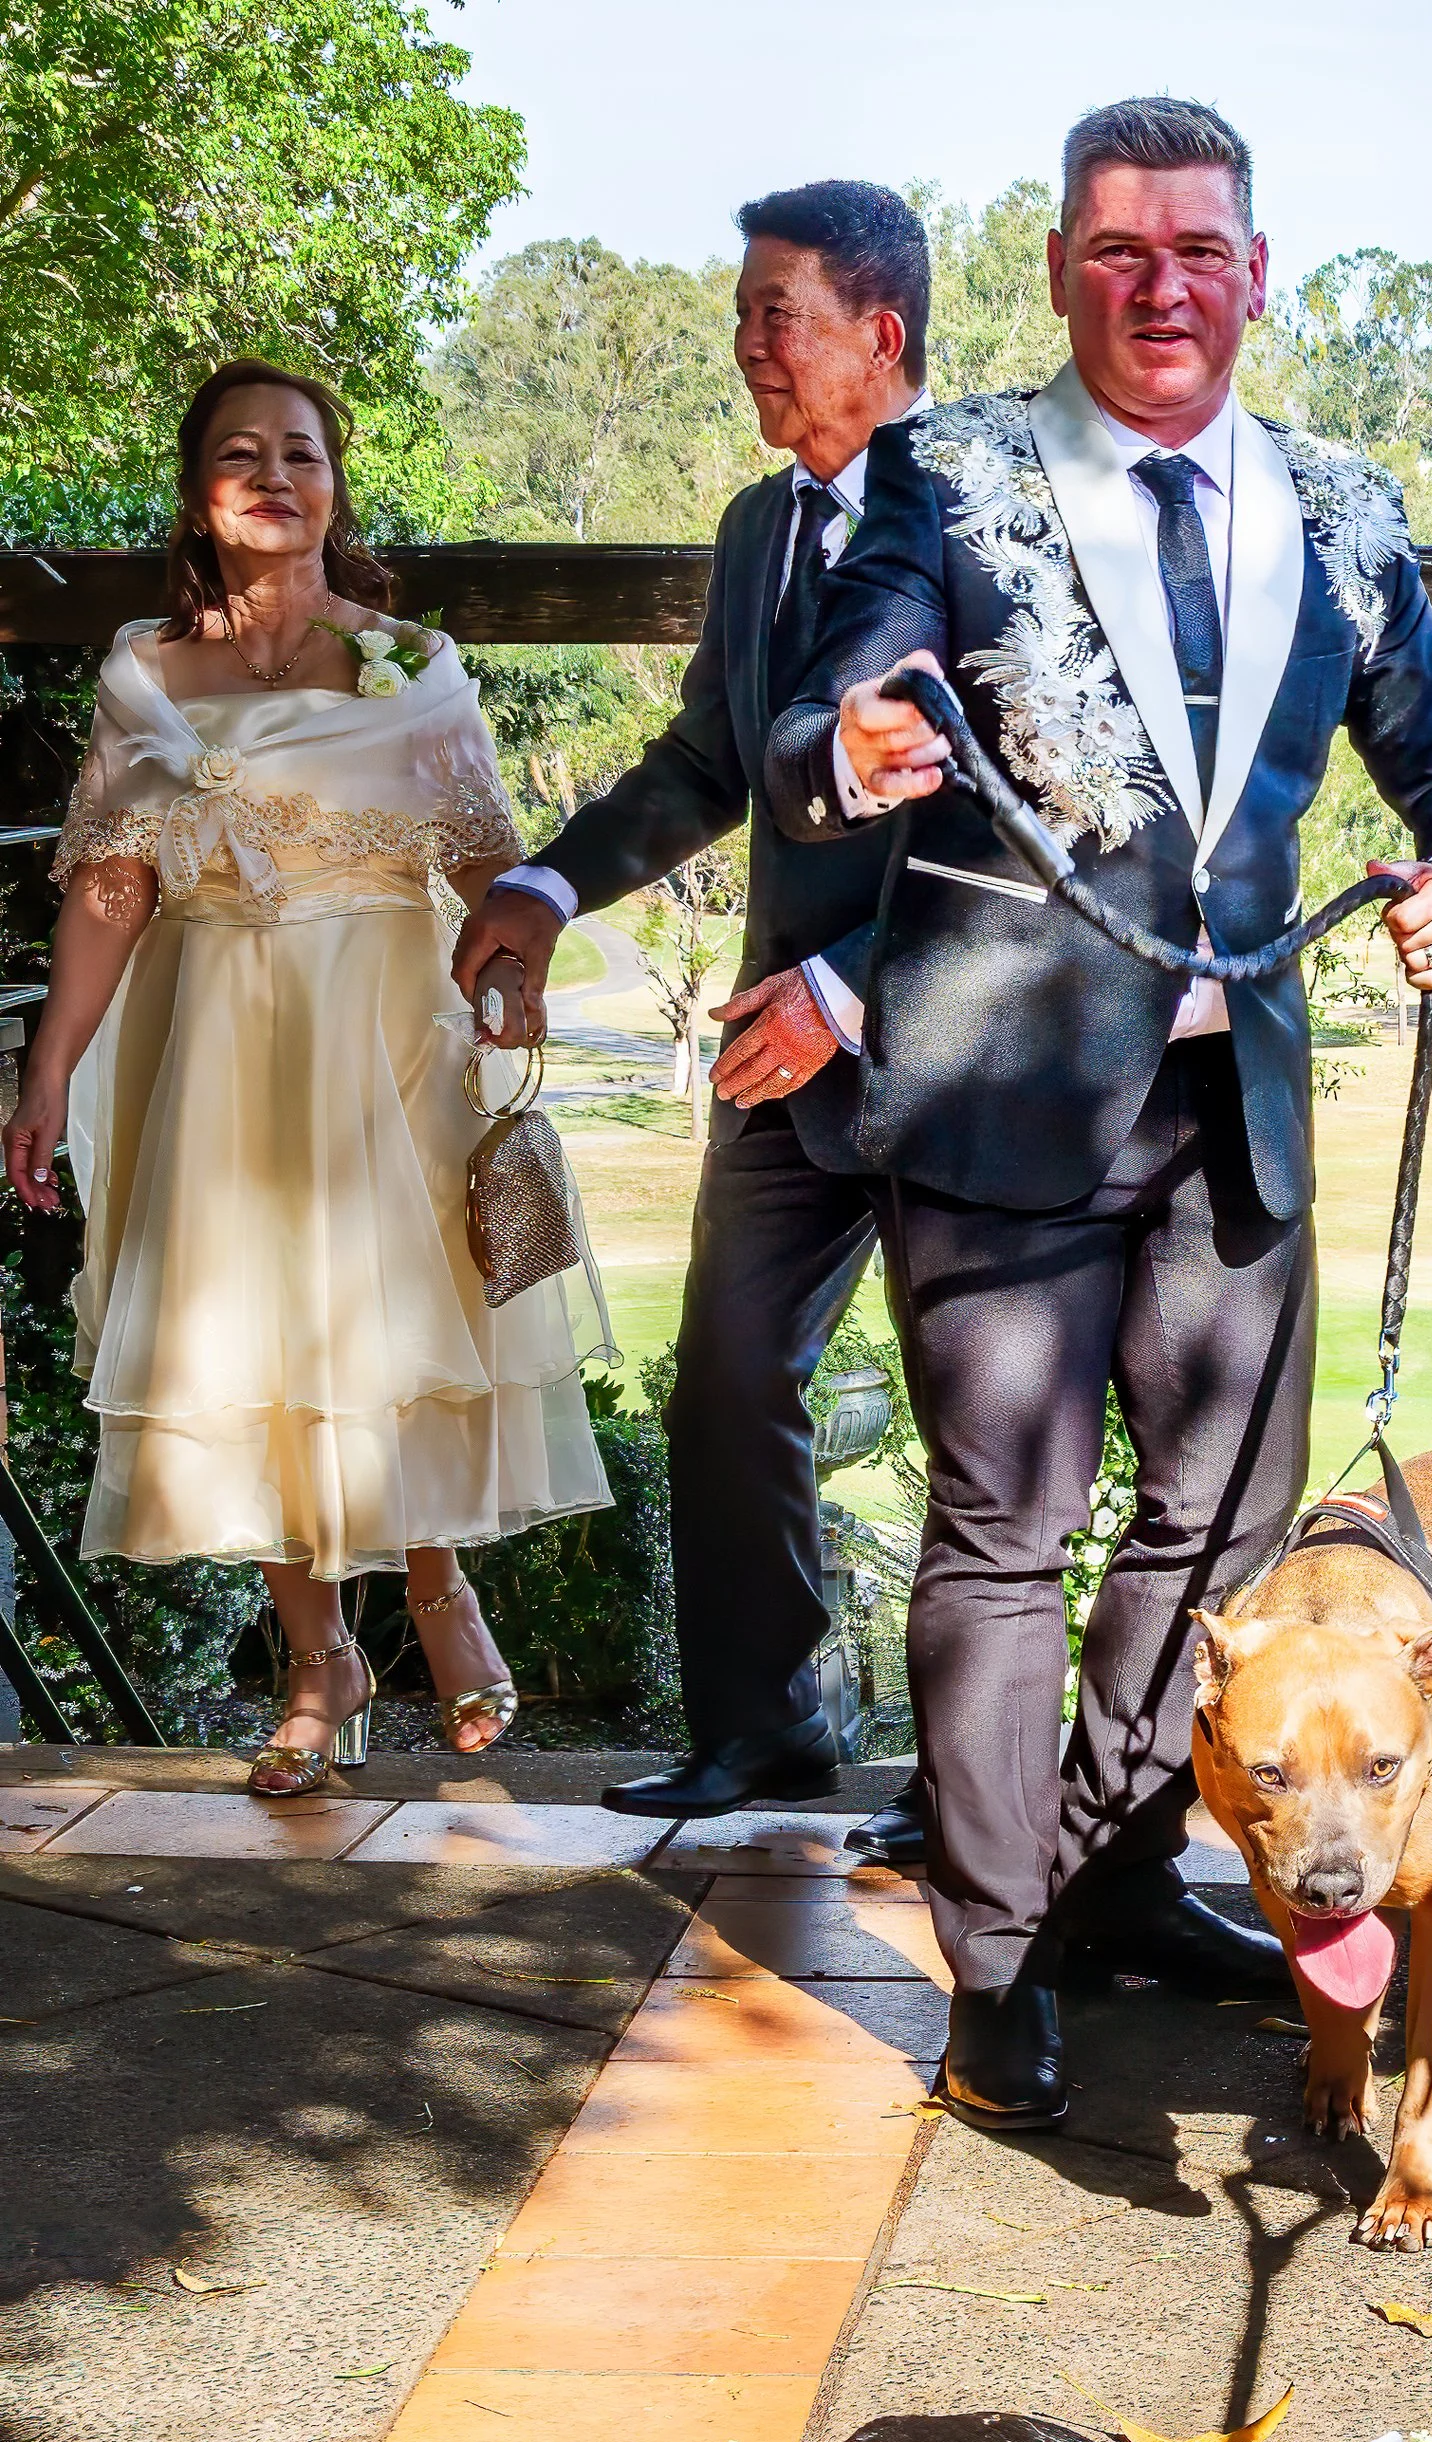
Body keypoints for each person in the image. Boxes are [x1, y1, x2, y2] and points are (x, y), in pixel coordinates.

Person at [773, 96, 1432, 2129]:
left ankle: (1108, 1875)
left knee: (1219, 1548)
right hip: (1000, 1097)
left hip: (1236, 1109)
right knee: (1005, 1541)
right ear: (1058, 276)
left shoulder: (1345, 509)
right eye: (1116, 251)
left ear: (1254, 274)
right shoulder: (946, 467)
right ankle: (994, 1961)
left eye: (1196, 249)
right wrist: (852, 740)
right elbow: (844, 674)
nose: (1158, 284)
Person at [3, 361, 609, 1793]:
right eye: (240, 456)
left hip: (389, 1030)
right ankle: (316, 1658)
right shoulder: (145, 671)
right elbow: (107, 888)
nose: (275, 475)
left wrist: (514, 980)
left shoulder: (411, 664)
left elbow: (486, 862)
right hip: (217, 1040)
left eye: (302, 453)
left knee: (401, 1320)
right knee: (251, 1338)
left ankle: (439, 1592)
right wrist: (49, 1069)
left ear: (335, 487)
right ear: (200, 499)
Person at [455, 177, 933, 1847]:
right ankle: (769, 1729)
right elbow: (703, 765)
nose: (743, 344)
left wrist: (853, 987)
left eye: (770, 313)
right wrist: (548, 885)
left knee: (982, 1430)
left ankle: (976, 1783)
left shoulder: (985, 518)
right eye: (740, 312)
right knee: (726, 1378)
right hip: (773, 1063)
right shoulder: (755, 533)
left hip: (952, 1051)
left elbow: (1039, 819)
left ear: (879, 336)